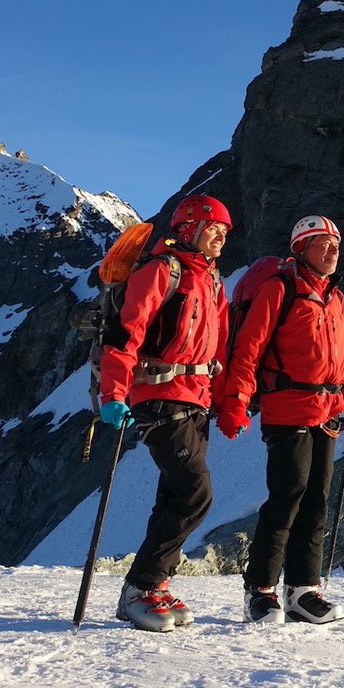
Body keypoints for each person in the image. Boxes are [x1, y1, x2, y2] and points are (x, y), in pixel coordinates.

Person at [217, 214, 344, 625]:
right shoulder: (279, 289)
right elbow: (248, 350)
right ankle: (260, 591)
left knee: (316, 502)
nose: (333, 250)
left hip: (327, 412)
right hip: (287, 409)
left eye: (336, 244)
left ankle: (303, 591)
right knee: (287, 497)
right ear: (301, 248)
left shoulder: (335, 298)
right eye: (324, 243)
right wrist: (236, 402)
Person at [97, 194, 232, 633]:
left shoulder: (212, 280)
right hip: (159, 395)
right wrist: (113, 393)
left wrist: (225, 400)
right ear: (189, 228)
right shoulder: (162, 270)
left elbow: (219, 349)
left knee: (175, 496)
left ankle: (155, 585)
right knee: (195, 492)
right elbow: (126, 333)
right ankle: (140, 586)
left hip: (196, 399)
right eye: (214, 228)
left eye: (225, 231)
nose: (221, 237)